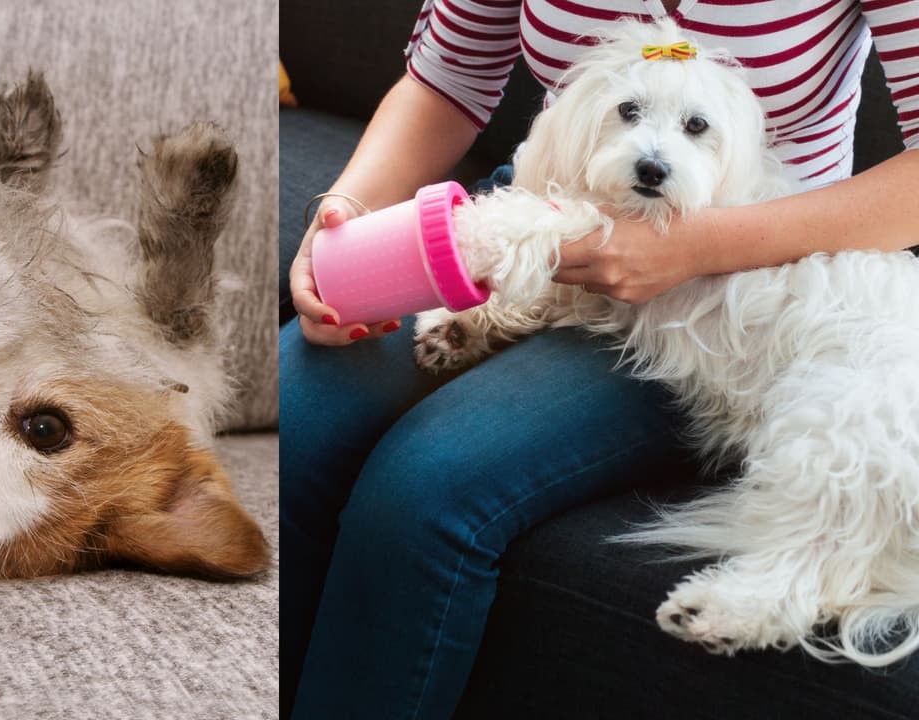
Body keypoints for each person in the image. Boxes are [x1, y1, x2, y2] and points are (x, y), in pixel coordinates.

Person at [280, 0, 919, 717]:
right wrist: (345, 213)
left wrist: (694, 247)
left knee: (422, 487)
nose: (655, 147)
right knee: (296, 423)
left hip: (757, 243)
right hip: (555, 208)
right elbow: (447, 75)